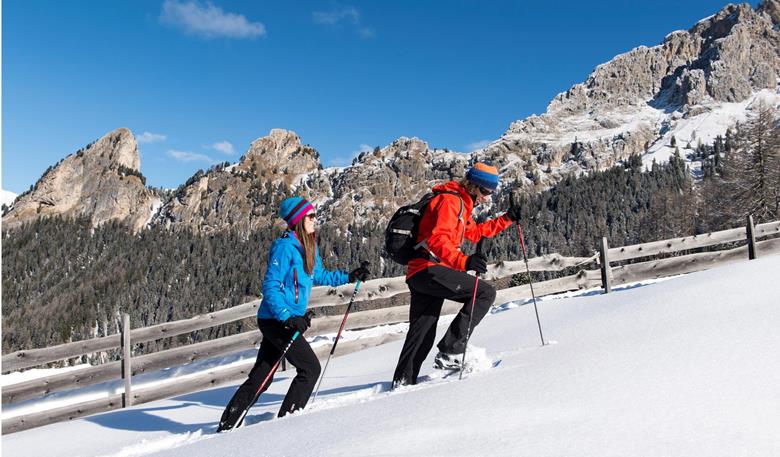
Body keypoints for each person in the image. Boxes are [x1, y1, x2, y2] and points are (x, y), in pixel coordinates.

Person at [217, 196, 370, 431]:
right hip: (276, 320)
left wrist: (349, 276)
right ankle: (287, 423)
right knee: (310, 368)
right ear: (299, 219)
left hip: (287, 320)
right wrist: (287, 316)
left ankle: (228, 423)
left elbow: (319, 275)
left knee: (263, 376)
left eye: (315, 215)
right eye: (311, 216)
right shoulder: (285, 247)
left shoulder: (308, 244)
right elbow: (270, 285)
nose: (315, 219)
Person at [392, 162, 521, 387]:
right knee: (484, 293)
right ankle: (452, 349)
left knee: (422, 332)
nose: (486, 197)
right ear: (472, 185)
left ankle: (402, 382)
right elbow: (437, 239)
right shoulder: (450, 201)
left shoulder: (461, 204)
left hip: (421, 273)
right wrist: (464, 261)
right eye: (484, 191)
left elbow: (475, 232)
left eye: (490, 193)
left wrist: (506, 219)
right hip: (429, 268)